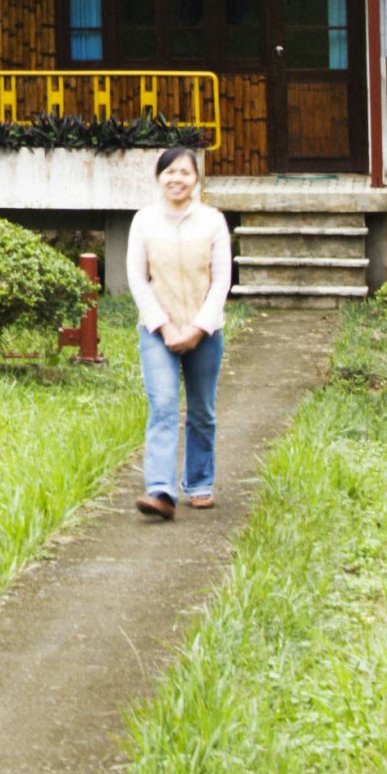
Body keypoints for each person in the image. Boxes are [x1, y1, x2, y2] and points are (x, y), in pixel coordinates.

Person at [125, 143, 231, 519]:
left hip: (206, 332)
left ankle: (200, 483)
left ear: (196, 179)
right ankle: (160, 491)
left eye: (185, 172)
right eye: (170, 172)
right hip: (157, 331)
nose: (177, 179)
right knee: (164, 406)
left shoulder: (213, 221)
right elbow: (138, 280)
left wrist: (198, 329)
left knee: (202, 411)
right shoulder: (143, 221)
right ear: (159, 178)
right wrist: (166, 327)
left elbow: (221, 282)